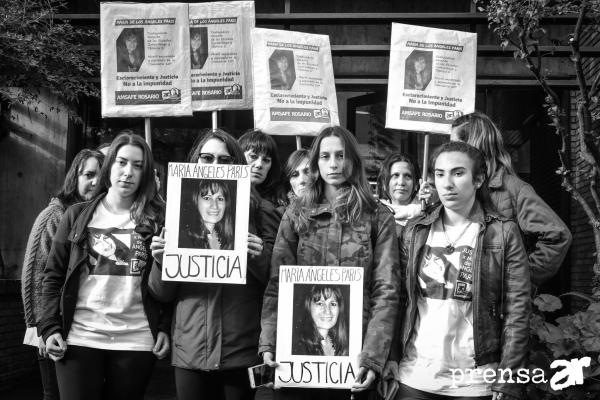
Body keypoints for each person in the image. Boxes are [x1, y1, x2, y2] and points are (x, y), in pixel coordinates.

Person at [260, 126, 400, 400]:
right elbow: (277, 285)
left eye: (341, 155)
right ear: (315, 163)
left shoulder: (377, 216)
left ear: (353, 161)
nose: (333, 164)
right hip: (299, 355)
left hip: (354, 358)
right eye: (325, 156)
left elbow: (387, 292)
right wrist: (269, 342)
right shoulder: (296, 213)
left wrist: (372, 358)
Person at [386, 141, 531, 400]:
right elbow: (399, 300)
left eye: (458, 173)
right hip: (415, 376)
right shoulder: (416, 231)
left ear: (478, 179)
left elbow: (517, 310)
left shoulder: (503, 232)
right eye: (440, 174)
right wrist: (392, 357)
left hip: (476, 381)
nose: (447, 183)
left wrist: (508, 377)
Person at [148, 128, 281, 400]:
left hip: (243, 351)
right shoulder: (176, 213)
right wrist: (161, 262)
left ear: (238, 166)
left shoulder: (263, 212)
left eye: (224, 160)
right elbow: (161, 293)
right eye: (207, 158)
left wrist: (258, 257)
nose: (215, 166)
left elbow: (278, 284)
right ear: (195, 161)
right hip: (190, 349)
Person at [38, 132, 170, 400]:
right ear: (109, 165)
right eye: (121, 162)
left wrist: (165, 326)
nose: (128, 172)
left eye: (138, 165)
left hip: (136, 339)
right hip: (79, 337)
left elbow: (170, 284)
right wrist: (49, 327)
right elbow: (53, 275)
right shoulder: (76, 216)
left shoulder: (158, 221)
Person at [451, 111, 572, 287]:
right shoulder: (460, 188)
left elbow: (558, 236)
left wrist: (519, 279)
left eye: (455, 145)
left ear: (473, 145)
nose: (449, 151)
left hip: (501, 307)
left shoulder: (514, 189)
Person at [21, 148, 103, 400]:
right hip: (51, 327)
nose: (95, 181)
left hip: (82, 328)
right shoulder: (55, 215)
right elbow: (35, 276)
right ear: (74, 178)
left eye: (101, 175)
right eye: (88, 174)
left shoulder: (98, 218)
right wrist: (42, 328)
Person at [292, 285, 349, 357]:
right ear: (308, 306)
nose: (327, 311)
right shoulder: (298, 348)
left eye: (333, 304)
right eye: (320, 303)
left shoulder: (341, 345)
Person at [239, 129, 287, 211]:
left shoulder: (279, 206)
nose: (259, 165)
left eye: (266, 160)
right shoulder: (222, 196)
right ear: (238, 155)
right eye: (253, 156)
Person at [179, 180, 235, 250]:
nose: (214, 206)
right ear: (195, 201)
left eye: (220, 199)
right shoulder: (182, 239)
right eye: (207, 198)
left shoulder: (229, 238)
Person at [277, 149, 310, 214]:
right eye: (294, 175)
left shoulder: (334, 209)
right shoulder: (280, 214)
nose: (302, 180)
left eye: (308, 172)